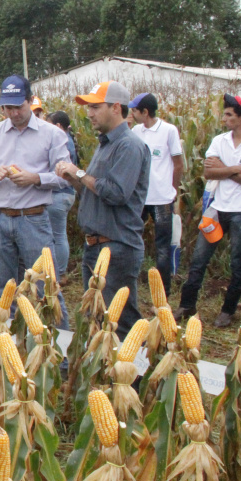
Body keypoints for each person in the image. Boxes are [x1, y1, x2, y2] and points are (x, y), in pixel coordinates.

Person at [0, 75, 72, 323]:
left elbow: (66, 176)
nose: (14, 113)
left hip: (33, 219)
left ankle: (58, 356)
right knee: (3, 292)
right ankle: (8, 352)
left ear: (30, 101)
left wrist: (36, 178)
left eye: (19, 106)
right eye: (7, 108)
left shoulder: (52, 135)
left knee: (46, 287)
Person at [56, 81, 150, 338]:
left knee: (118, 321)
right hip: (96, 246)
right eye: (88, 107)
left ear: (116, 108)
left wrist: (79, 172)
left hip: (116, 246)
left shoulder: (128, 146)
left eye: (96, 106)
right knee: (96, 318)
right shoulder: (106, 144)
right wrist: (73, 179)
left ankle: (132, 377)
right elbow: (94, 190)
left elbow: (117, 193)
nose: (89, 113)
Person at [174, 94, 241, 327]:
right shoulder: (219, 140)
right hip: (216, 209)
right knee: (198, 260)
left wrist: (224, 168)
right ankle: (187, 305)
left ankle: (228, 311)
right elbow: (208, 173)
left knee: (238, 264)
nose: (223, 118)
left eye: (228, 114)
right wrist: (237, 169)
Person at [130, 93, 184, 297]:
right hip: (140, 198)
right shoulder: (136, 131)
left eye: (135, 111)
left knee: (162, 248)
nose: (132, 114)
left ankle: (163, 295)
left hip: (162, 198)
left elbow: (178, 164)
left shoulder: (169, 131)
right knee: (132, 239)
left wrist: (173, 191)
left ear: (145, 112)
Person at [46, 111, 79, 280]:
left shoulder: (63, 142)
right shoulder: (70, 140)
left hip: (59, 194)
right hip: (67, 194)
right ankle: (60, 271)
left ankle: (59, 273)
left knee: (57, 235)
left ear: (58, 126)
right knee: (60, 234)